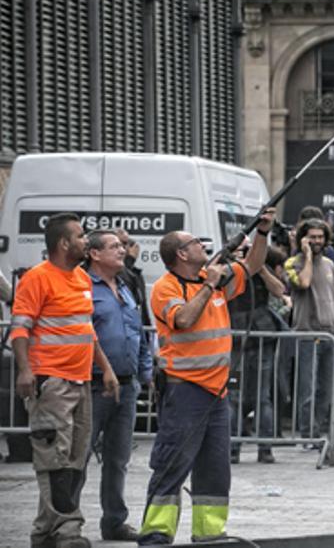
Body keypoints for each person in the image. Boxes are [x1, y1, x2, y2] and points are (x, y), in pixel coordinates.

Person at [138, 208, 274, 545]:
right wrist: (209, 283)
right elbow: (183, 319)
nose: (203, 246)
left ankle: (210, 535)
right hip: (185, 392)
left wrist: (261, 233)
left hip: (215, 394)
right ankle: (155, 535)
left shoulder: (209, 282)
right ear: (182, 254)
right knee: (171, 466)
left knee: (215, 470)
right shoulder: (166, 288)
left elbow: (253, 266)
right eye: (196, 242)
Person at [11, 213, 120, 548]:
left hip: (80, 380)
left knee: (72, 460)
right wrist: (26, 370)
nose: (86, 241)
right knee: (53, 458)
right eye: (81, 236)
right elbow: (20, 328)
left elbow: (86, 331)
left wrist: (106, 369)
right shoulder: (37, 278)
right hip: (51, 381)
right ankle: (68, 530)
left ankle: (45, 531)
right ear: (63, 243)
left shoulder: (81, 279)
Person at [86, 230, 154, 542]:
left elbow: (139, 331)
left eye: (123, 245)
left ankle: (114, 521)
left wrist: (145, 372)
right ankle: (66, 522)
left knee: (118, 459)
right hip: (94, 385)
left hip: (127, 386)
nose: (122, 250)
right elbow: (85, 334)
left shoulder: (126, 286)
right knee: (79, 455)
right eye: (114, 246)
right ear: (94, 254)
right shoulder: (84, 285)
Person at [284, 218, 334, 440]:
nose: (317, 241)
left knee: (326, 390)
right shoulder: (293, 263)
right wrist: (307, 256)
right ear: (304, 238)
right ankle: (307, 434)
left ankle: (319, 431)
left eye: (320, 237)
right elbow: (303, 283)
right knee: (307, 390)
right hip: (307, 334)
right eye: (312, 237)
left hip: (330, 335)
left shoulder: (330, 265)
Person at [228, 246, 289, 465]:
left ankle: (265, 448)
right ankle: (232, 447)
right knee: (233, 397)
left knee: (262, 396)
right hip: (235, 337)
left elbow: (279, 290)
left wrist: (260, 268)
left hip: (262, 337)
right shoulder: (229, 270)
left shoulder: (262, 271)